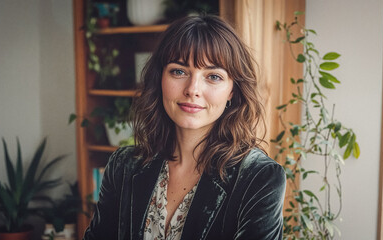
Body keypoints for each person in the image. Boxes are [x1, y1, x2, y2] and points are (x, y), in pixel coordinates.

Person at [83, 15, 286, 240]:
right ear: (160, 78)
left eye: (213, 76)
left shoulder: (259, 178)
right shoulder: (123, 166)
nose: (192, 89)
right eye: (179, 71)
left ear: (232, 91)